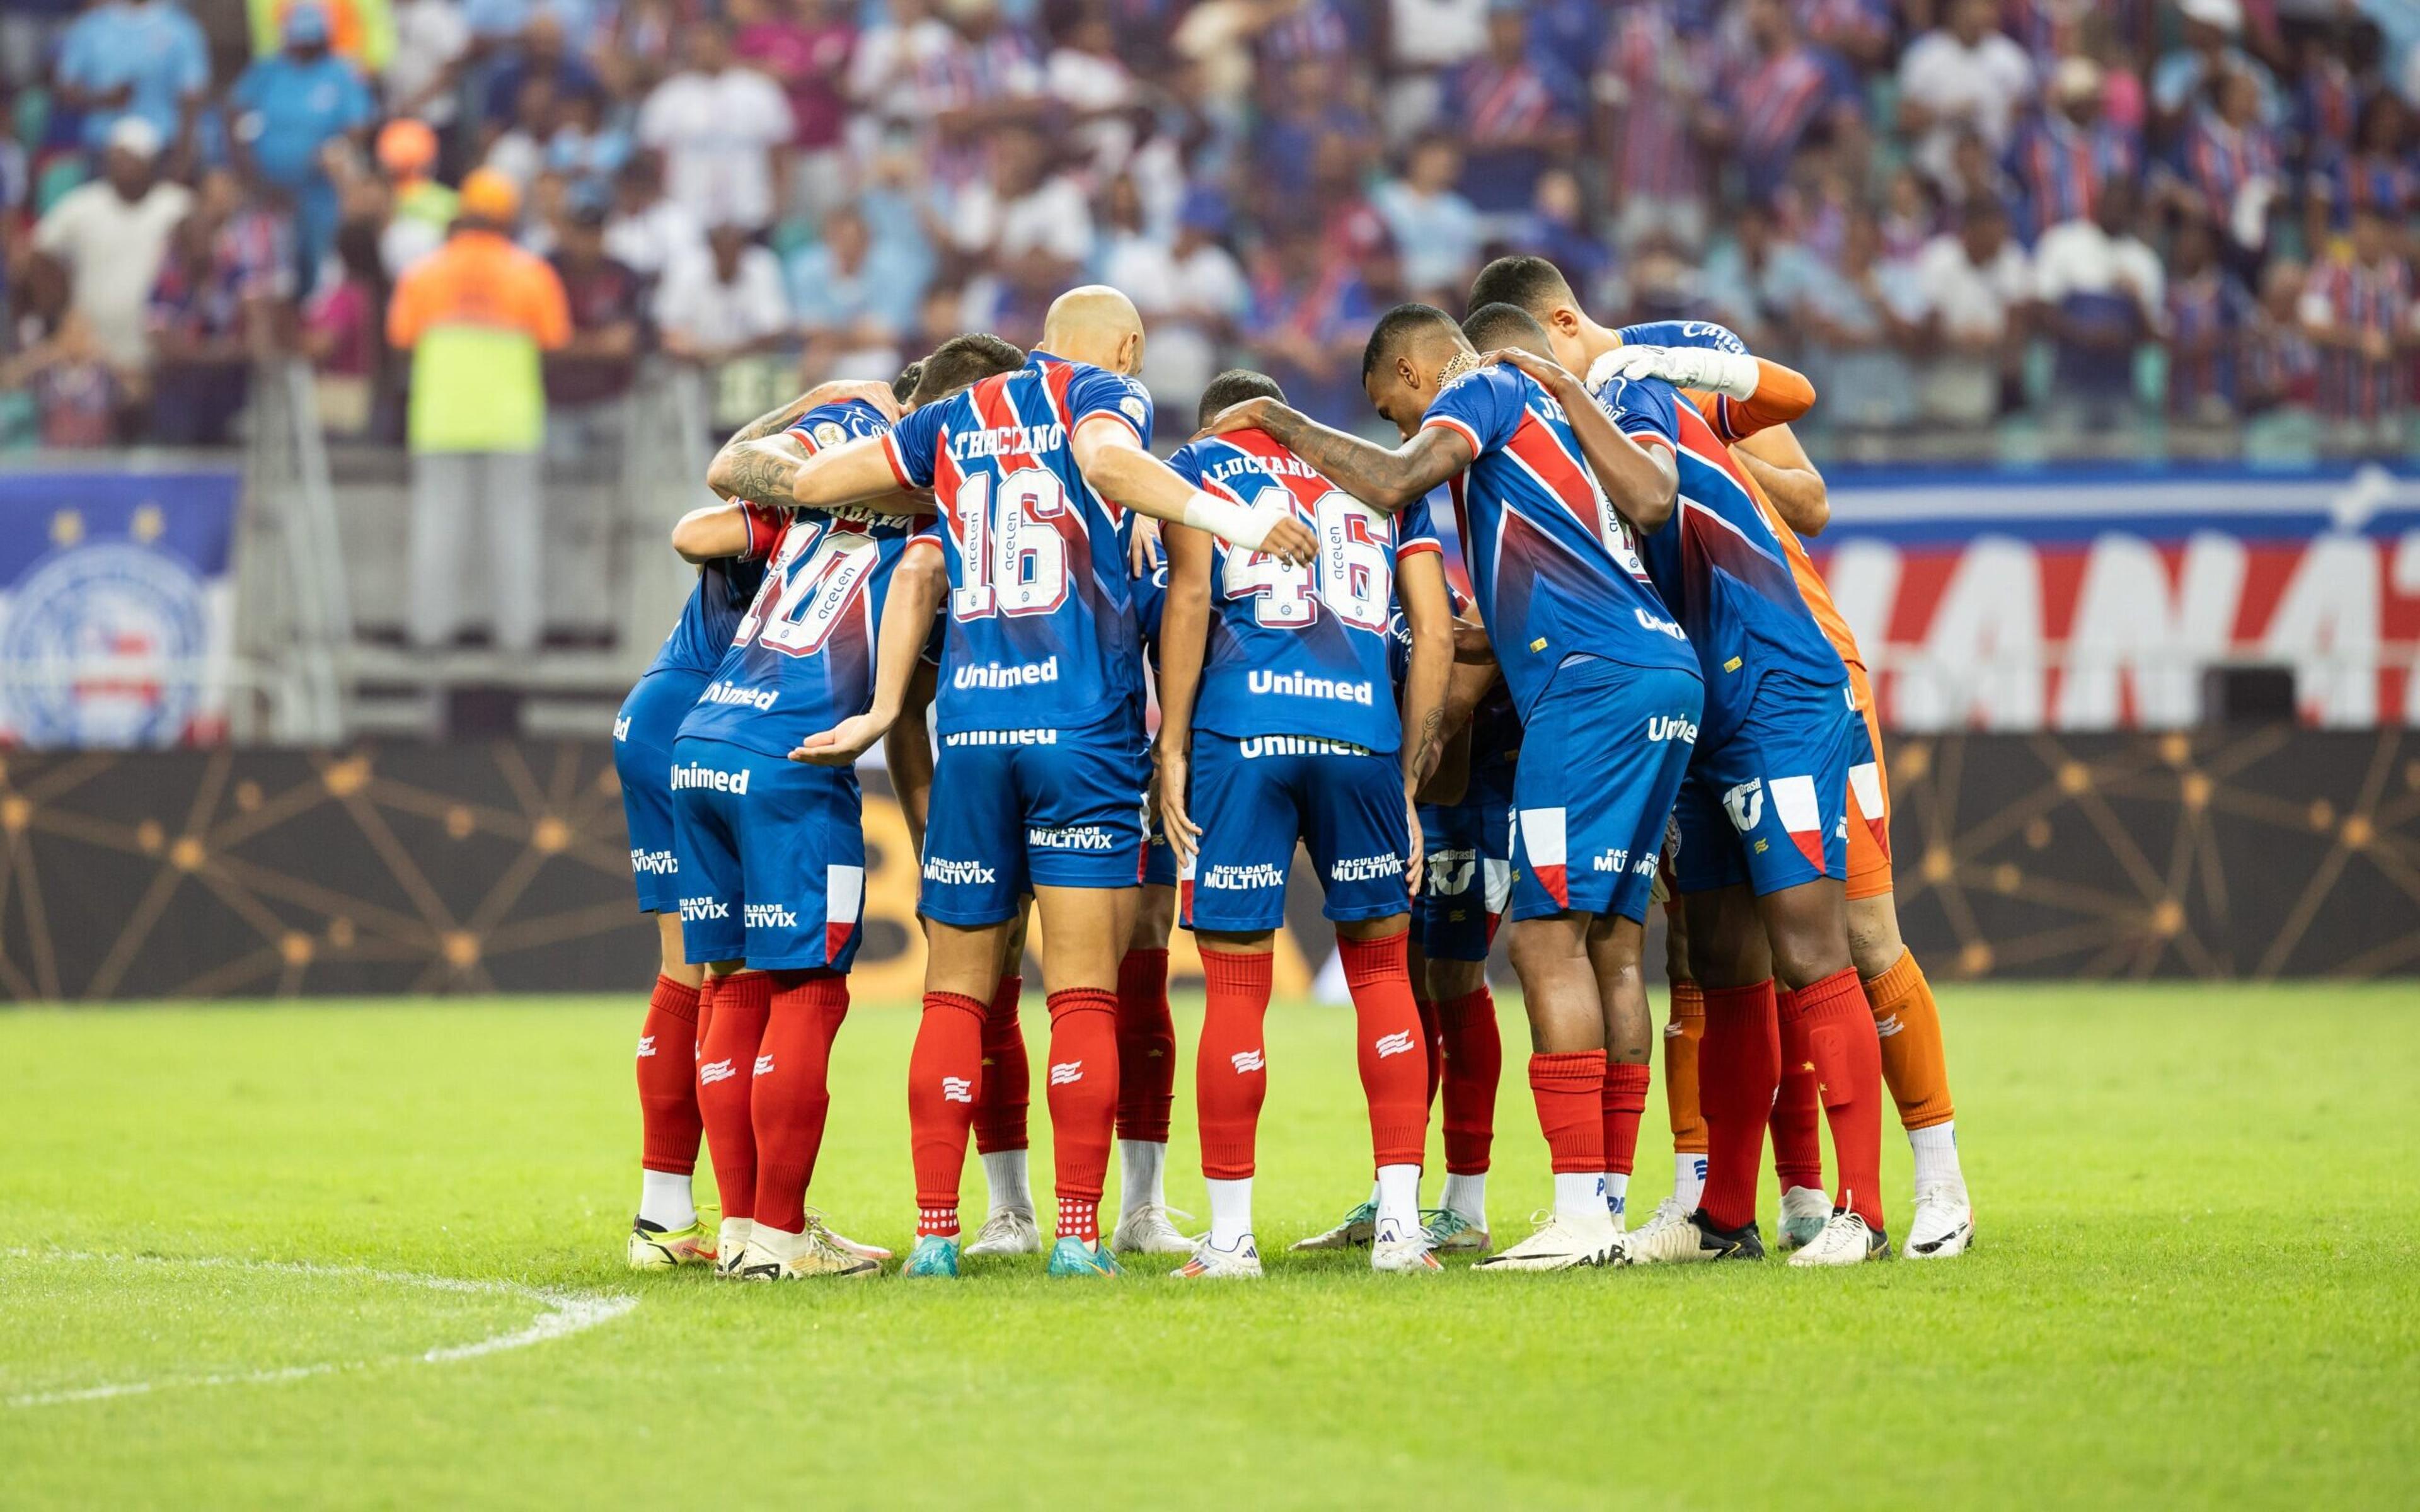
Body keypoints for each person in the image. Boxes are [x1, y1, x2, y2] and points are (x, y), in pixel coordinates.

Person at [706, 285, 1315, 1280]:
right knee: (1083, 992)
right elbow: (1109, 463)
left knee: (954, 998)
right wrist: (1230, 516)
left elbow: (809, 490)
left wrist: (762, 449)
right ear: (1123, 347)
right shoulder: (1104, 397)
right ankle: (1079, 1237)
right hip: (1083, 732)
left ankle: (940, 1238)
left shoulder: (951, 418)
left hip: (976, 732)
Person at [1196, 301, 1697, 1273]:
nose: (1396, 426)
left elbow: (1391, 482)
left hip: (1584, 686)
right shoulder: (1560, 412)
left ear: (1419, 375)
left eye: (1391, 405)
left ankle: (1575, 1217)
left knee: (1542, 941)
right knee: (1616, 949)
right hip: (1659, 674)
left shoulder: (1479, 387)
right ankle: (1599, 1201)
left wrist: (1277, 420)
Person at [1470, 254, 1942, 1264]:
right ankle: (1727, 1213)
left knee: (1816, 947)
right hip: (1698, 701)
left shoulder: (1633, 385)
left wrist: (1614, 361)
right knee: (1723, 964)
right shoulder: (1550, 433)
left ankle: (1862, 1209)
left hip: (1775, 682)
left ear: (1552, 333)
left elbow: (1758, 430)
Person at [667, 336, 1030, 1281]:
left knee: (734, 984)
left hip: (706, 739)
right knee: (809, 992)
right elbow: (908, 696)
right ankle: (781, 1238)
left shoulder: (823, 490)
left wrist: (804, 409)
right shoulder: (950, 505)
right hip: (794, 762)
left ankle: (746, 1230)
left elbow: (711, 496)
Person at [1153, 367, 1456, 1278]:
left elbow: (1193, 598)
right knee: (1383, 976)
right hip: (1359, 734)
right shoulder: (1373, 474)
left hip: (1242, 732)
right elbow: (1435, 633)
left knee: (1236, 987)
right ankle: (1402, 1230)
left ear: (1223, 418)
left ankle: (1232, 1240)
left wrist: (1171, 748)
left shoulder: (1203, 462)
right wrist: (1404, 778)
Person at [385, 168, 570, 655]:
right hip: (512, 423)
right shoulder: (533, 274)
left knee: (436, 533)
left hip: (441, 420)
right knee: (514, 534)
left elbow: (400, 341)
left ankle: (428, 635)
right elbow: (556, 341)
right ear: (509, 219)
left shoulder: (423, 273)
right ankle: (518, 638)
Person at [30, 117, 195, 399]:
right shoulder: (82, 205)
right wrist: (58, 314)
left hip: (160, 355)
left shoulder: (177, 205)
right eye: (116, 158)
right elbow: (39, 251)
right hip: (95, 356)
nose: (122, 165)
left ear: (150, 161)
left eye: (131, 158)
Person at [229, 3, 376, 294]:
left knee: (321, 274)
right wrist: (250, 172)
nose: (304, 49)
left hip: (321, 196)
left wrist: (332, 153)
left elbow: (359, 126)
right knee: (270, 277)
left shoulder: (341, 73)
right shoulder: (270, 69)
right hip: (269, 194)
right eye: (299, 42)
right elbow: (235, 111)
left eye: (312, 43)